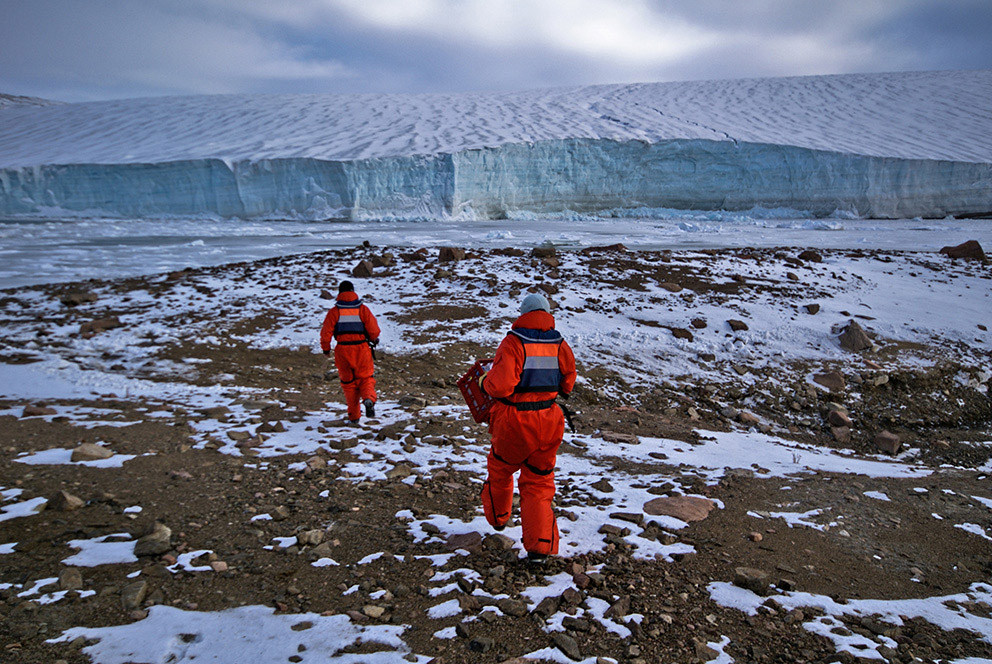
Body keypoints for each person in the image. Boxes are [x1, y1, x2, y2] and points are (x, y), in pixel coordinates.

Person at [479, 292, 576, 563]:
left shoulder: (514, 342)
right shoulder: (559, 343)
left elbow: (500, 386)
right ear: (546, 313)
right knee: (539, 482)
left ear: (523, 313)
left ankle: (498, 518)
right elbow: (568, 381)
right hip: (550, 419)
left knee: (500, 468)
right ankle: (540, 547)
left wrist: (483, 383)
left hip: (515, 420)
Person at [320, 281, 381, 422]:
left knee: (348, 384)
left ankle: (354, 417)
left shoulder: (334, 312)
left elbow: (326, 333)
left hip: (342, 351)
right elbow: (374, 331)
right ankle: (368, 399)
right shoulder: (363, 309)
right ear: (353, 291)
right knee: (365, 379)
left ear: (339, 293)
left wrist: (326, 349)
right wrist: (373, 339)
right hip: (362, 349)